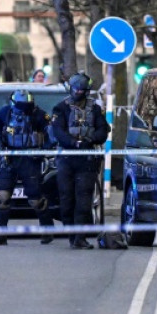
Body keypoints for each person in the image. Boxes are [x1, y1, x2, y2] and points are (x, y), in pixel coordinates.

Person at [0, 89, 55, 246]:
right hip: (9, 157)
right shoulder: (5, 113)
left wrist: (42, 150)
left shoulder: (39, 115)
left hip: (30, 159)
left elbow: (51, 135)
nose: (23, 108)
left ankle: (47, 229)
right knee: (2, 196)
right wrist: (2, 146)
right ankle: (0, 235)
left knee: (35, 199)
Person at [50, 72, 109, 249]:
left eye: (82, 90)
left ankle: (80, 237)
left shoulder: (95, 109)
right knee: (67, 199)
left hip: (87, 159)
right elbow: (58, 132)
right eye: (75, 89)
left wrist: (89, 141)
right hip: (67, 159)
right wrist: (73, 143)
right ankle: (71, 233)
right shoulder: (61, 108)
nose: (78, 93)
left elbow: (103, 131)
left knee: (84, 200)